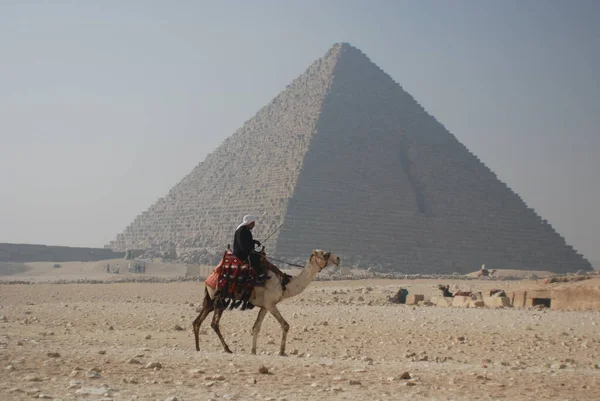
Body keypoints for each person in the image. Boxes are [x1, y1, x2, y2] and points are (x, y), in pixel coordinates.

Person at [232, 215, 290, 287]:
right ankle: (260, 275)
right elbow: (242, 244)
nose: (254, 225)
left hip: (245, 251)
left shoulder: (246, 230)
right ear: (249, 223)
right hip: (241, 254)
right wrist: (250, 250)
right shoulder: (241, 231)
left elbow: (246, 241)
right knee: (256, 257)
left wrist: (254, 242)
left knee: (259, 255)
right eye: (253, 223)